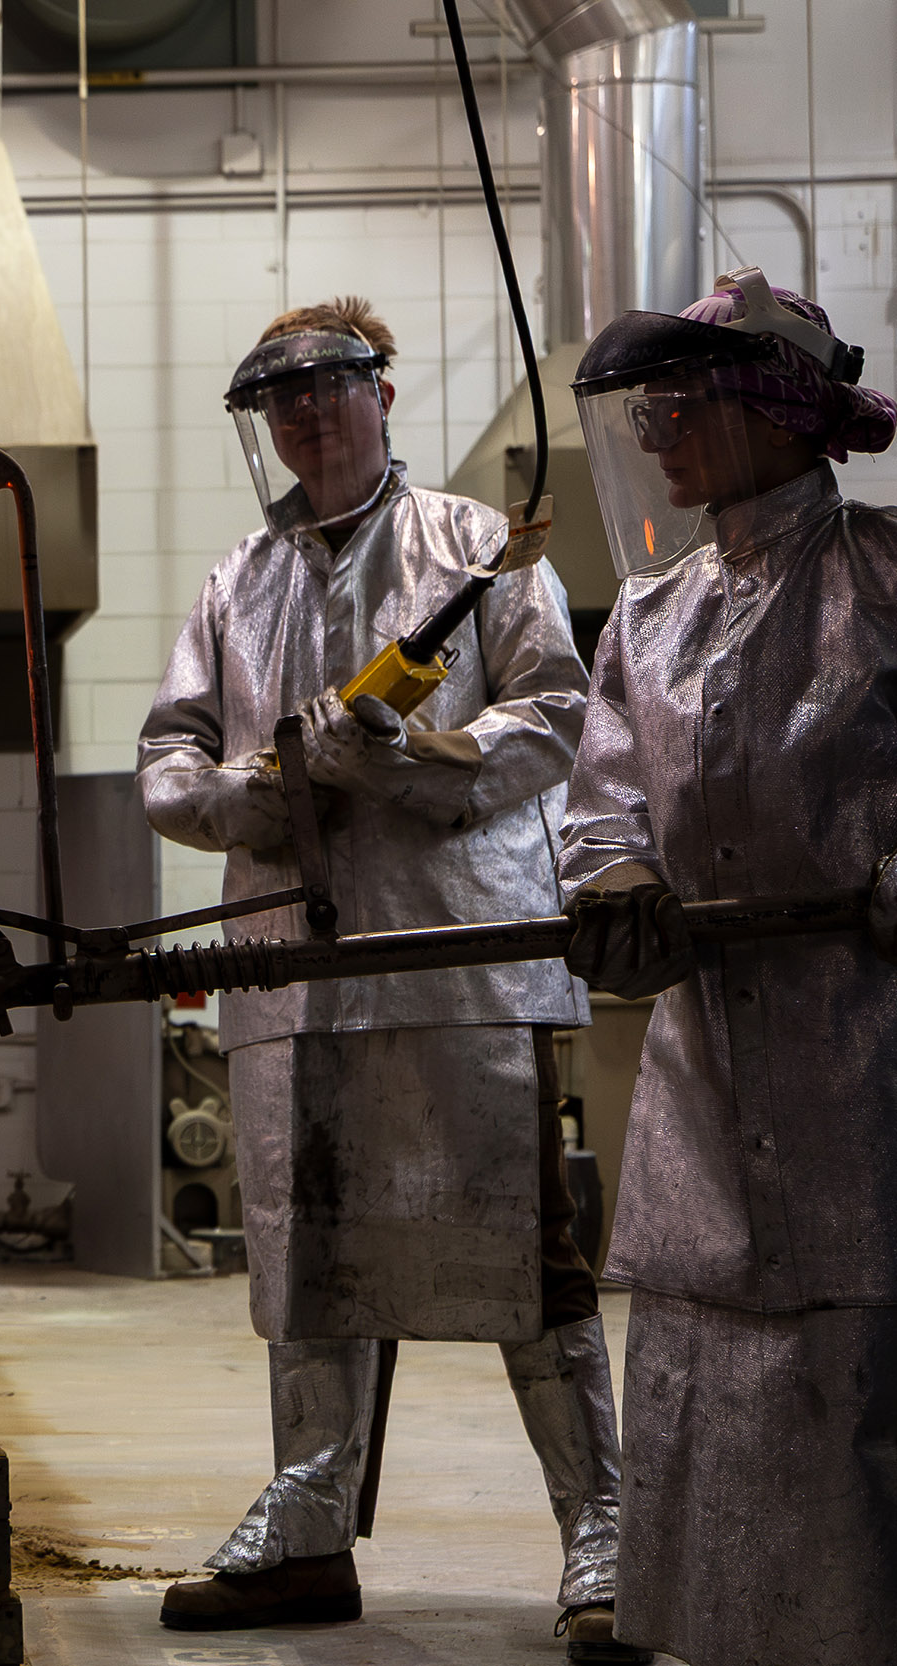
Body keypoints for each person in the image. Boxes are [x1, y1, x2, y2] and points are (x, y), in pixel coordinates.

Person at [140, 298, 637, 1661]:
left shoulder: (476, 548)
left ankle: (604, 1526)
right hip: (292, 972)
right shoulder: (236, 582)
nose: (308, 415)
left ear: (384, 393)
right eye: (282, 399)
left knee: (523, 1256)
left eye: (331, 388)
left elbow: (555, 710)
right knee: (306, 1257)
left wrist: (416, 760)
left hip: (459, 958)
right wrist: (263, 783)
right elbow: (168, 761)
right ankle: (308, 1517)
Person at [559, 270, 897, 1666]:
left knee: (858, 1360)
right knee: (710, 1364)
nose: (659, 426)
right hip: (708, 1062)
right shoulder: (649, 617)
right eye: (650, 402)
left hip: (868, 1048)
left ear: (779, 406)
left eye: (687, 396)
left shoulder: (884, 576)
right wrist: (617, 871)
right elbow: (601, 797)